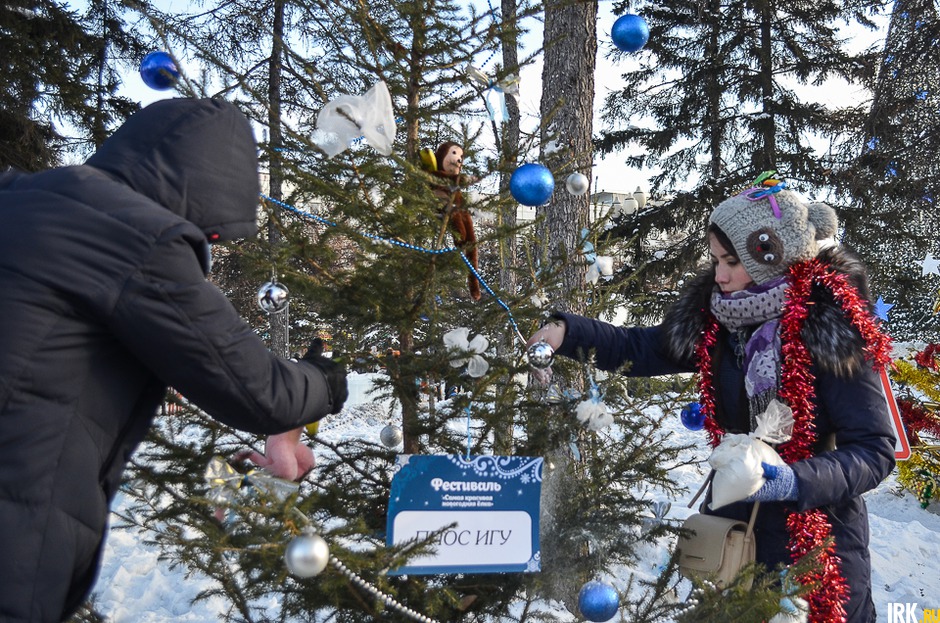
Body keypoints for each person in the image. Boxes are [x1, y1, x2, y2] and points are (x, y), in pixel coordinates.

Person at [0, 98, 348, 622]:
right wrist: (323, 381)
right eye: (211, 233)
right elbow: (257, 390)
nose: (206, 248)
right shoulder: (133, 238)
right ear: (202, 188)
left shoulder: (22, 198)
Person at [528, 182, 895, 622]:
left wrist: (793, 480)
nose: (720, 275)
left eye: (732, 261)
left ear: (769, 256)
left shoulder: (831, 331)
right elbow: (642, 347)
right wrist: (568, 333)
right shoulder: (721, 321)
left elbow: (874, 450)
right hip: (736, 539)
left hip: (817, 549)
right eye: (717, 260)